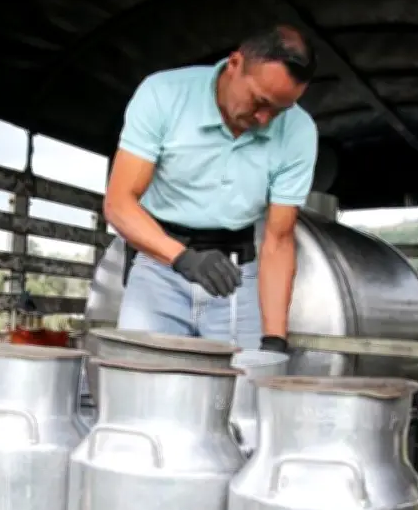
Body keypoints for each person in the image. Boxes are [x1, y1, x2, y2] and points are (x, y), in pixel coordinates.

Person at [103, 25, 318, 353]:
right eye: (259, 102)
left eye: (279, 110)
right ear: (234, 64)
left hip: (235, 277)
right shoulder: (163, 94)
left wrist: (274, 338)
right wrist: (182, 258)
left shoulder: (299, 131)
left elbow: (278, 240)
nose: (264, 118)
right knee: (143, 384)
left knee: (244, 390)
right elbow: (119, 203)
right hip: (158, 265)